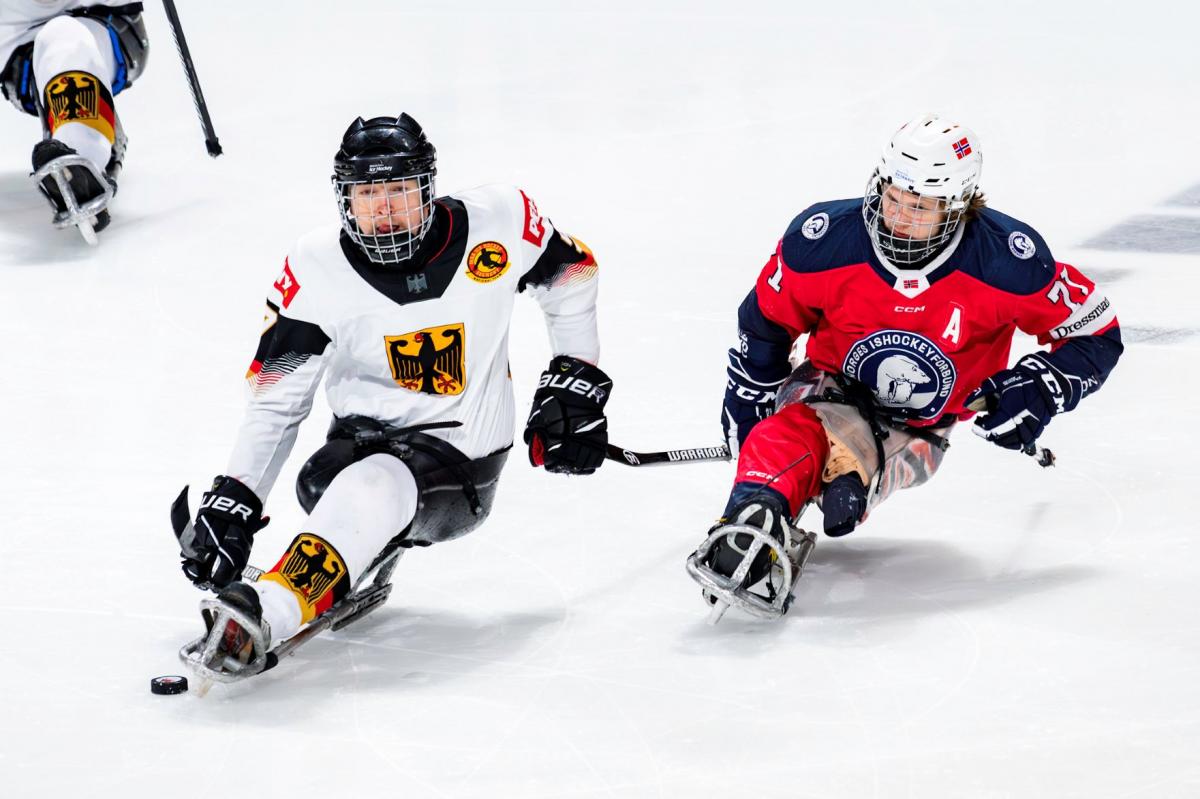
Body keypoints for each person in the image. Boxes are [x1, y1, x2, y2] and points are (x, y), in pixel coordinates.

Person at [173, 113, 610, 680]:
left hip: (460, 468)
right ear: (344, 201)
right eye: (367, 194)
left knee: (375, 483)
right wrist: (236, 497)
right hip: (349, 451)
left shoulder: (498, 219)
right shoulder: (314, 267)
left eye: (400, 192)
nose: (384, 211)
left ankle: (273, 608)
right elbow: (277, 399)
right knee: (355, 481)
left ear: (429, 189)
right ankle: (347, 544)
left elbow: (573, 271)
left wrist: (574, 383)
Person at [693, 113, 1122, 618]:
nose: (900, 216)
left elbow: (1096, 331)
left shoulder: (1008, 261)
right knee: (788, 433)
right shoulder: (823, 240)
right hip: (828, 386)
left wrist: (1038, 387)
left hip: (922, 426)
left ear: (960, 206)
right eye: (894, 196)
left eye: (921, 206)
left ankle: (837, 478)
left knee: (847, 490)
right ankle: (754, 511)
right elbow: (765, 322)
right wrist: (748, 395)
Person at [0, 0, 148, 239]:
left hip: (105, 24)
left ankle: (81, 154)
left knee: (63, 36)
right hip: (18, 52)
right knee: (60, 37)